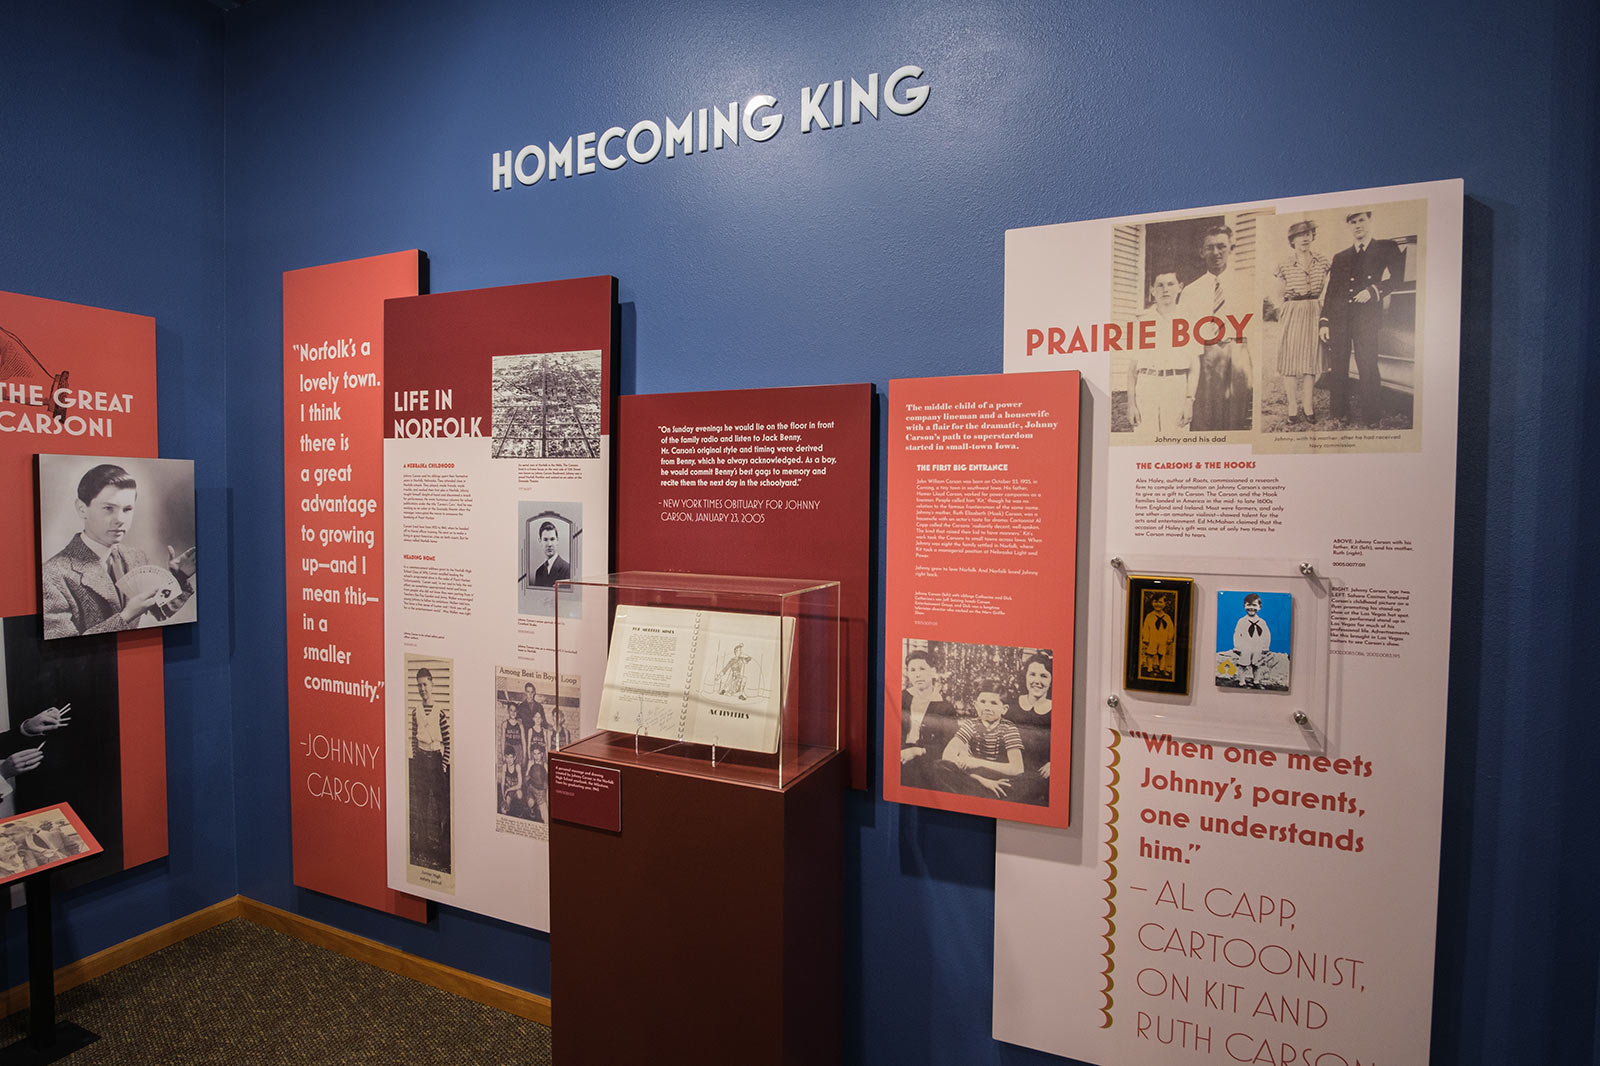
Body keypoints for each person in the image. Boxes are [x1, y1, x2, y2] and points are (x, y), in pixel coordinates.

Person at [41, 464, 196, 639]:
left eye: (127, 509)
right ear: (82, 509)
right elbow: (63, 647)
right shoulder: (52, 576)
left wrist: (179, 577)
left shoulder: (135, 558)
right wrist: (126, 615)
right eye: (108, 508)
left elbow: (159, 610)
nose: (120, 520)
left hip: (133, 656)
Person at [1320, 209, 1406, 427]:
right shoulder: (1341, 257)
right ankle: (1340, 413)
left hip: (1366, 318)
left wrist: (1373, 290)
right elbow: (1332, 291)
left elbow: (1397, 279)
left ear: (1369, 220)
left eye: (1361, 220)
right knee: (1338, 366)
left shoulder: (1386, 248)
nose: (1357, 225)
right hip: (1340, 318)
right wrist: (1325, 321)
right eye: (1353, 222)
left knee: (1367, 364)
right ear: (1349, 226)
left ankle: (1371, 416)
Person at [1178, 225, 1253, 431]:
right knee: (1205, 418)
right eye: (1210, 247)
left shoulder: (1246, 285)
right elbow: (1184, 334)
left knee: (1236, 417)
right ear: (1202, 252)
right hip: (1205, 356)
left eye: (1221, 246)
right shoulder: (1191, 291)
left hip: (1238, 352)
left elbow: (1254, 328)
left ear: (1231, 248)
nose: (1216, 252)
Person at [1271, 220, 1331, 425]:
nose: (1305, 238)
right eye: (1300, 235)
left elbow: (1331, 287)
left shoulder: (1323, 261)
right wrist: (1284, 310)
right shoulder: (1284, 264)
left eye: (1308, 234)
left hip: (1314, 309)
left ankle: (1308, 406)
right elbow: (1277, 295)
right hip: (1292, 310)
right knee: (1290, 361)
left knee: (1310, 361)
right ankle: (1292, 407)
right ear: (1292, 240)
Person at [1126, 270, 1190, 433]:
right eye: (1160, 285)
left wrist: (1189, 401)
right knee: (1144, 441)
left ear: (1180, 287)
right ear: (1152, 290)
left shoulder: (1188, 320)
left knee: (1176, 441)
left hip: (1176, 384)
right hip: (1147, 385)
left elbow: (1195, 366)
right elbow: (1132, 368)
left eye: (1170, 284)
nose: (1165, 290)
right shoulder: (1142, 320)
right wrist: (1131, 404)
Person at [938, 680, 1025, 798]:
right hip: (974, 776)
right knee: (940, 765)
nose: (987, 707)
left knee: (1024, 784)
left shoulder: (1008, 728)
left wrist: (975, 762)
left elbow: (1017, 768)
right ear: (976, 705)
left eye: (993, 703)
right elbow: (947, 755)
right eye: (983, 702)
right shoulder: (971, 724)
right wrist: (980, 779)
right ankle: (979, 789)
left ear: (1004, 709)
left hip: (998, 774)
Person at [408, 667, 450, 872]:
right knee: (421, 803)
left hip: (435, 760)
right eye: (419, 685)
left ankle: (443, 850)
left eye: (425, 684)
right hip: (421, 762)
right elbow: (414, 739)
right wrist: (416, 761)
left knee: (441, 807)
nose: (422, 689)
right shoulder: (415, 711)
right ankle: (422, 845)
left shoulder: (440, 711)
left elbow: (448, 743)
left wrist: (442, 766)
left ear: (432, 685)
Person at [898, 649, 957, 790]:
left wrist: (918, 751)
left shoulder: (945, 707)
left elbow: (948, 745)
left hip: (927, 759)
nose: (917, 674)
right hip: (899, 754)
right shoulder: (901, 697)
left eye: (922, 669)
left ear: (932, 672)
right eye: (912, 670)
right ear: (908, 674)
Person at [1005, 653, 1054, 807]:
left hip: (1040, 776)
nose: (1037, 681)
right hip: (1010, 770)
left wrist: (1056, 762)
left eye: (1044, 676)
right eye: (1032, 674)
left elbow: (1069, 743)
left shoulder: (1057, 709)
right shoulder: (1010, 707)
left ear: (1052, 680)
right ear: (1025, 676)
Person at [1231, 594, 1271, 688]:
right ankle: (1242, 682)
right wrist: (1237, 647)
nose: (1251, 608)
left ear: (1260, 607)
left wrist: (1265, 647)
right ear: (1244, 606)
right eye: (1248, 605)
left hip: (1258, 647)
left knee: (1257, 665)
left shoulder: (1262, 622)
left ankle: (1256, 681)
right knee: (1242, 665)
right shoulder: (1241, 621)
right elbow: (1237, 634)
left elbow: (1266, 635)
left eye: (1254, 605)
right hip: (1245, 647)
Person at [1140, 593, 1177, 680]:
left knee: (1162, 654)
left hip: (1163, 639)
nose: (1158, 604)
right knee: (1150, 654)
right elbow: (1146, 628)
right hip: (1152, 638)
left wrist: (1169, 638)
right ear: (1152, 603)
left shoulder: (1167, 617)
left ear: (1165, 604)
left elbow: (1171, 628)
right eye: (1155, 602)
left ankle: (1161, 669)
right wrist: (1146, 638)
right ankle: (1150, 668)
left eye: (1160, 602)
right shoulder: (1149, 616)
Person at [530, 521, 571, 587]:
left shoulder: (568, 569)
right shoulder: (539, 572)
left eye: (552, 539)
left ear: (557, 540)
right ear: (540, 541)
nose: (549, 544)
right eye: (545, 539)